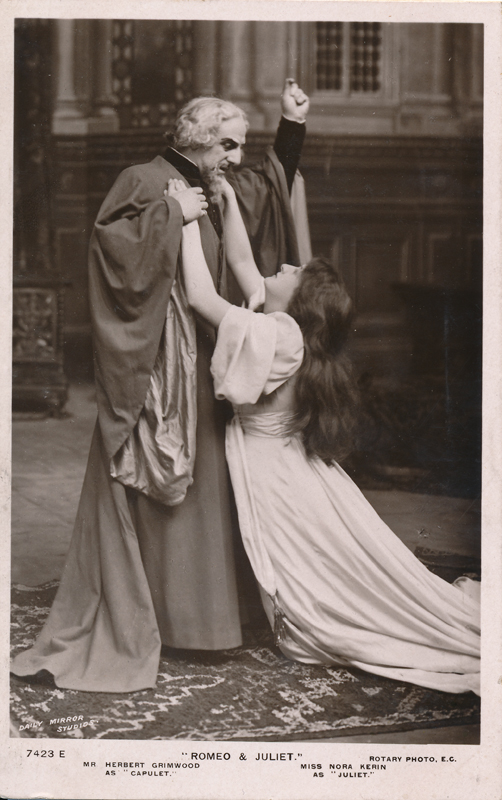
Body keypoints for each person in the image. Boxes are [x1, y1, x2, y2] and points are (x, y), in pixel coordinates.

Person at [11, 81, 310, 693]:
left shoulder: (219, 183)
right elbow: (111, 249)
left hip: (206, 363)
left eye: (240, 145)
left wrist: (291, 125)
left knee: (208, 486)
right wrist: (174, 214)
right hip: (154, 371)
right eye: (229, 144)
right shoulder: (143, 180)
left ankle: (211, 621)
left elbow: (266, 187)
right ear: (198, 140)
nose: (236, 156)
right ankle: (164, 621)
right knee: (165, 488)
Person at [171, 176, 481, 696]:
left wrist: (183, 219)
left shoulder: (280, 334)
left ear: (302, 305)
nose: (287, 265)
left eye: (296, 273)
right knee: (339, 556)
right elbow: (247, 269)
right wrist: (224, 205)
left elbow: (202, 297)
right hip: (285, 459)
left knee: (313, 566)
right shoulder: (278, 322)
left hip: (276, 473)